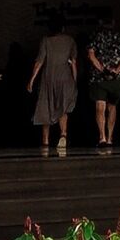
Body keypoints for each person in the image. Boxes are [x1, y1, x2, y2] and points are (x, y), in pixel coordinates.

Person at [28, 28, 80, 160]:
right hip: (65, 78)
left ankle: (45, 140)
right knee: (63, 107)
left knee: (46, 106)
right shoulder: (70, 41)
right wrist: (74, 80)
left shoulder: (46, 41)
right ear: (63, 27)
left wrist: (32, 80)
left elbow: (39, 61)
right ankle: (63, 134)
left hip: (48, 78)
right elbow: (73, 62)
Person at [87, 27, 120, 151]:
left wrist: (101, 69)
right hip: (116, 79)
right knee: (112, 106)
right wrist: (116, 71)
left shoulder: (95, 36)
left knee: (100, 106)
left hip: (98, 78)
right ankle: (109, 138)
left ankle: (102, 137)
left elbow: (91, 55)